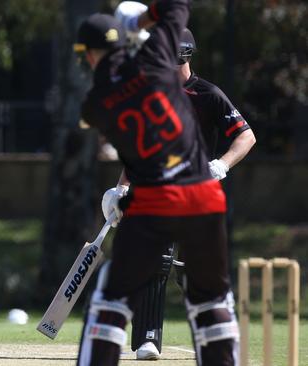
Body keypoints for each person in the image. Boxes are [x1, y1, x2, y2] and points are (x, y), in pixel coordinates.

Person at [74, 1, 240, 365]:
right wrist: (145, 19)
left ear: (88, 55)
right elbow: (177, 5)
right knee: (212, 298)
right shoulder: (163, 58)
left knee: (110, 296)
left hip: (154, 203)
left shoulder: (95, 102)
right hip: (204, 198)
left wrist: (121, 193)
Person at [129, 27, 256, 360]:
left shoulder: (209, 95)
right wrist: (120, 189)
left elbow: (246, 137)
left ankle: (219, 333)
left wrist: (222, 165)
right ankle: (148, 338)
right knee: (154, 259)